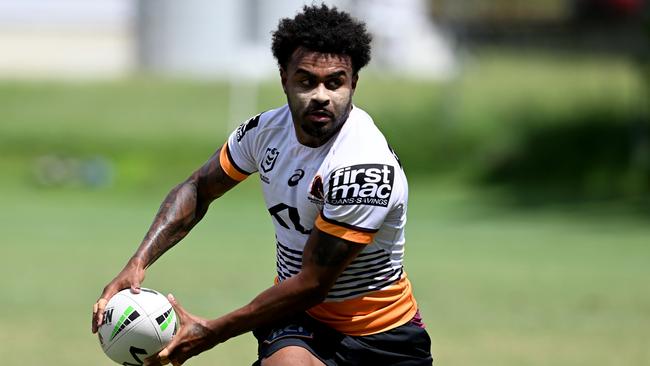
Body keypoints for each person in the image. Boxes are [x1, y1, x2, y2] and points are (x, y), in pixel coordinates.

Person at [91, 4, 433, 366]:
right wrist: (138, 262)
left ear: (353, 83)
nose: (321, 95)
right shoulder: (264, 133)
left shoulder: (363, 167)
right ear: (284, 77)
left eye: (335, 82)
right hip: (299, 320)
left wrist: (213, 330)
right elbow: (197, 189)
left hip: (382, 333)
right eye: (306, 81)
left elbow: (314, 284)